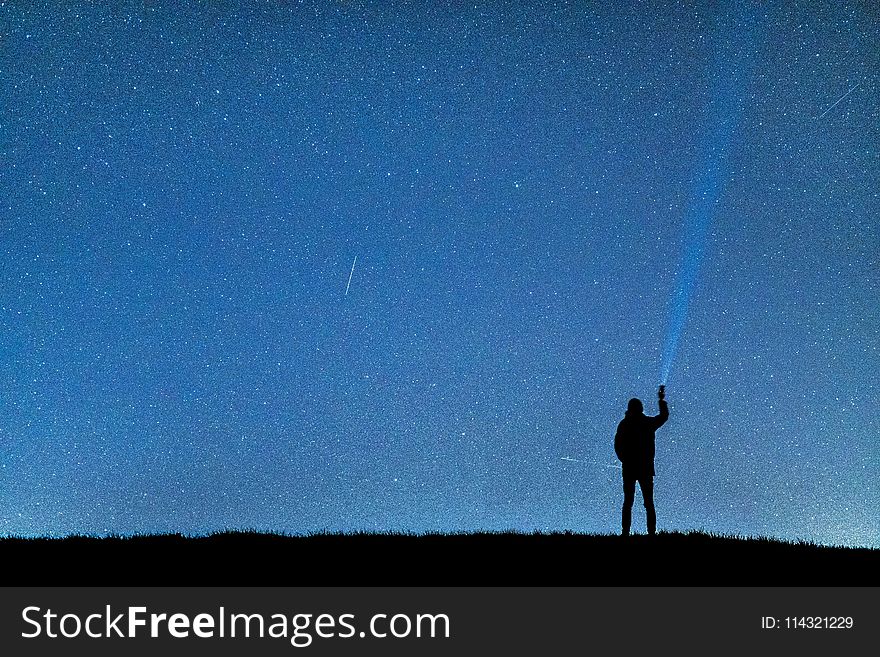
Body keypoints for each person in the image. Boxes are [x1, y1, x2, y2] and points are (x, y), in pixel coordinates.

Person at [614, 385, 669, 536]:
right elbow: (663, 416)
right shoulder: (645, 424)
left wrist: (624, 460)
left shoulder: (625, 424)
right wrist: (661, 400)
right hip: (642, 467)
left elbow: (617, 445)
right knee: (645, 503)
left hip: (632, 468)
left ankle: (627, 533)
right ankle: (650, 533)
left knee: (631, 502)